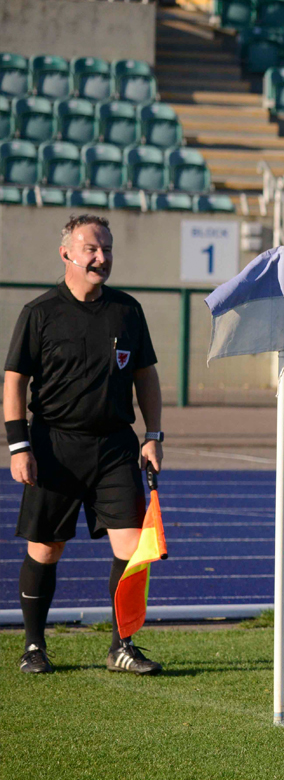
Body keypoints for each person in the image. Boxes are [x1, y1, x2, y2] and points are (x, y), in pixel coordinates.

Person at [6, 214, 165, 675]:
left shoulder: (127, 310)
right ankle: (34, 647)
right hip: (54, 444)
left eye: (108, 249)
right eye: (92, 249)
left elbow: (145, 376)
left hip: (116, 446)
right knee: (46, 548)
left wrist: (152, 435)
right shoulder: (39, 312)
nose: (101, 258)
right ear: (67, 254)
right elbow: (15, 381)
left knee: (133, 547)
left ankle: (122, 646)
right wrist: (19, 446)